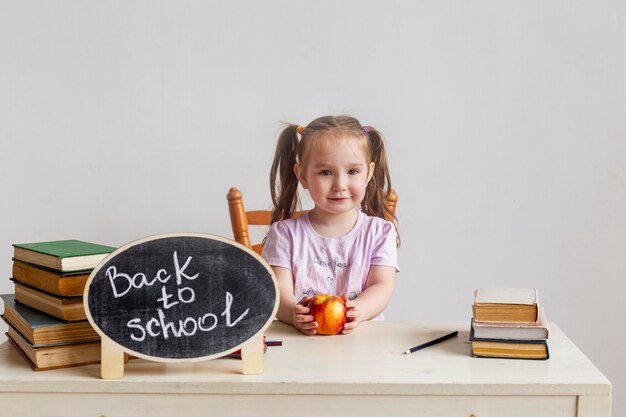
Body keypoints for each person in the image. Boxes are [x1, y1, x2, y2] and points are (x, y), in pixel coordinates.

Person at [262, 115, 399, 335]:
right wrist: (293, 313)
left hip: (364, 346)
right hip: (301, 347)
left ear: (368, 173)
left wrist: (359, 310)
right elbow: (279, 289)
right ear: (302, 176)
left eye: (353, 171)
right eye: (326, 172)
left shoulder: (379, 232)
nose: (340, 185)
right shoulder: (285, 234)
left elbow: (382, 286)